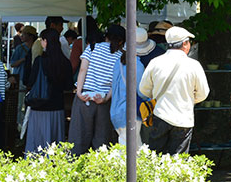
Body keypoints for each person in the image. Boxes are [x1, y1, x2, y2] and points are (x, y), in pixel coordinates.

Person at [139, 26, 209, 155]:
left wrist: (157, 95)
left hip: (160, 114)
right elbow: (203, 93)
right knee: (178, 161)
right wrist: (189, 100)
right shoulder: (194, 65)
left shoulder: (155, 62)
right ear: (185, 44)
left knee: (155, 158)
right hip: (183, 117)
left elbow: (143, 89)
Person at [69, 24, 124, 155]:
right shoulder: (121, 56)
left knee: (79, 137)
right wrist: (106, 98)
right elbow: (116, 83)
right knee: (102, 140)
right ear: (122, 41)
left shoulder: (92, 48)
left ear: (106, 36)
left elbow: (82, 70)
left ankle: (75, 168)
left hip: (85, 96)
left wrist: (79, 91)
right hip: (103, 99)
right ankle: (99, 171)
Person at [23, 28, 73, 154]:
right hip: (57, 107)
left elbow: (30, 81)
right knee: (55, 142)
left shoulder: (40, 61)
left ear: (45, 41)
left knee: (37, 144)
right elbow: (68, 86)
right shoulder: (65, 62)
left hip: (39, 106)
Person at [110, 44, 145, 147]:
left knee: (134, 147)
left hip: (115, 112)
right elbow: (141, 92)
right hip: (130, 112)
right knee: (129, 150)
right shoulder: (137, 65)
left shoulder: (118, 63)